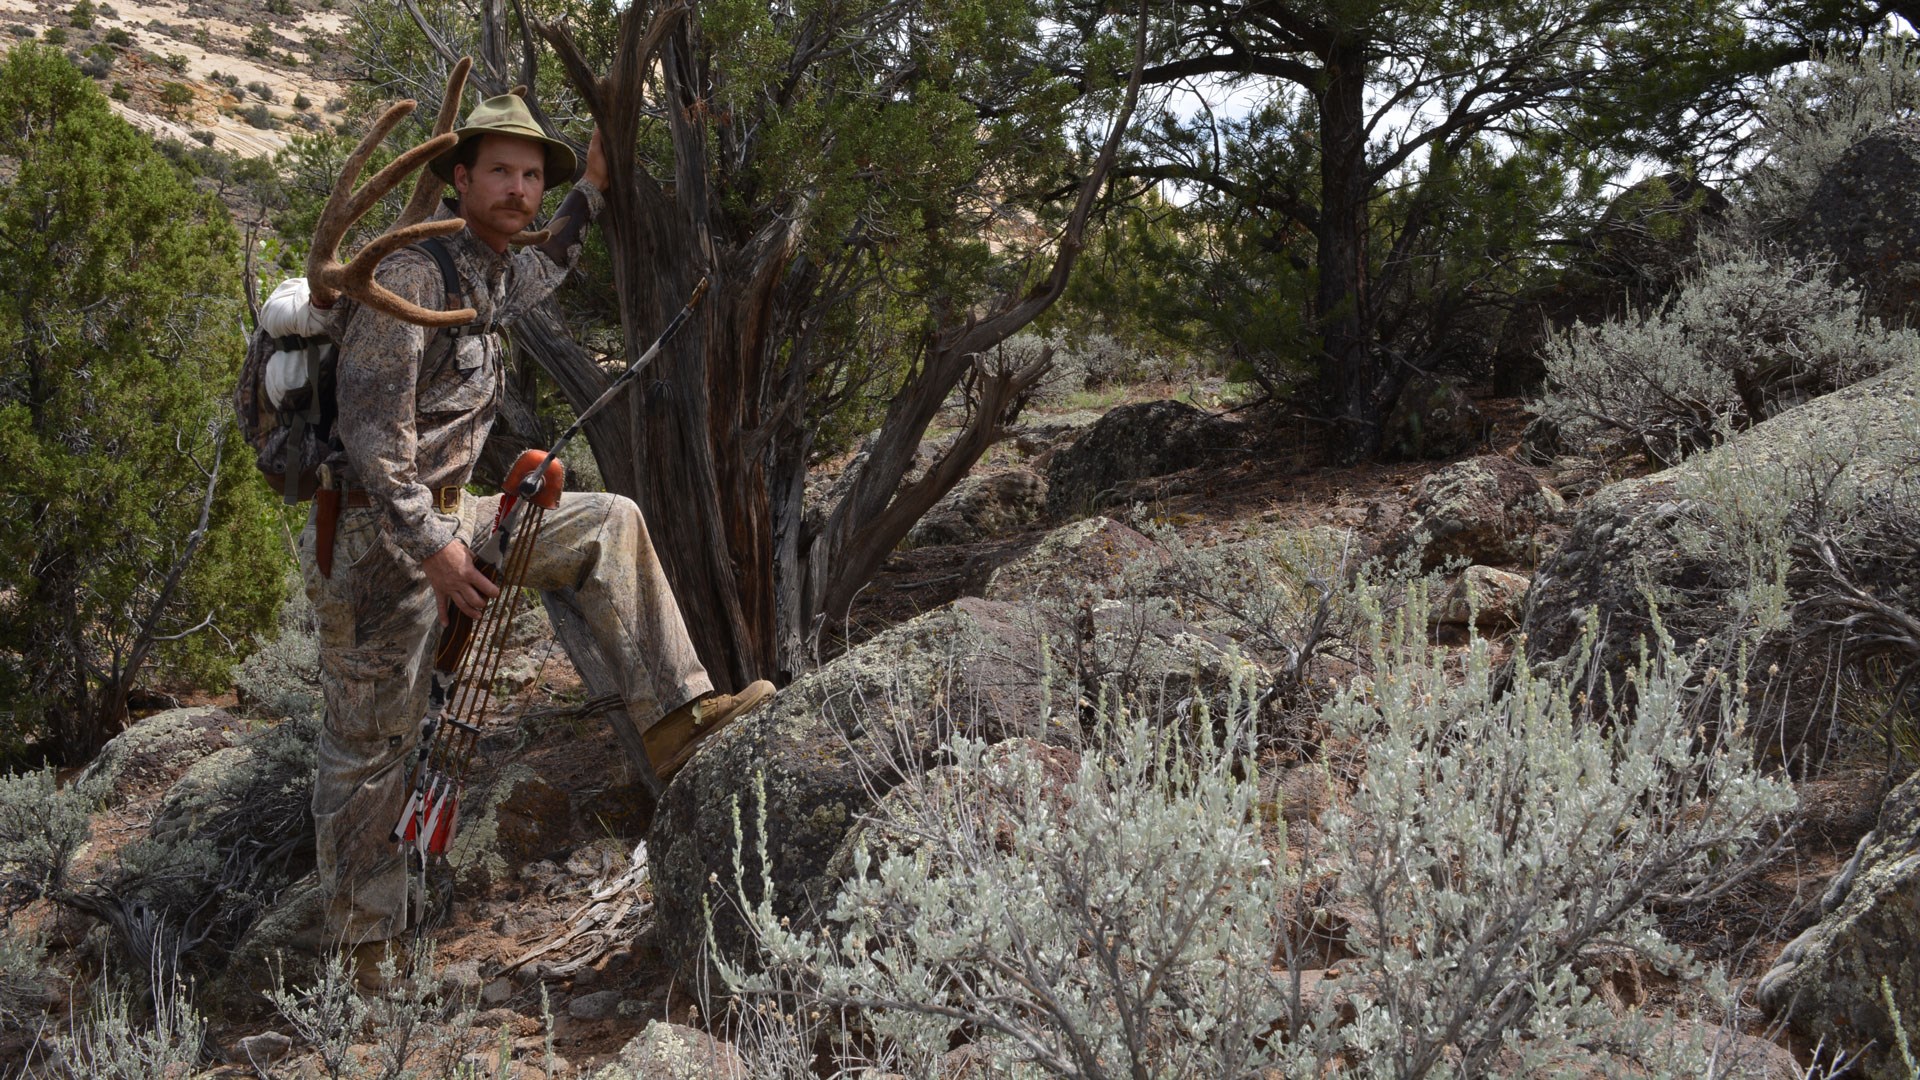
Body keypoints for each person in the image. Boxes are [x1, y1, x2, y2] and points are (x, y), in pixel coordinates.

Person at [299, 94, 772, 986]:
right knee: (373, 740)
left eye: (531, 174)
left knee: (608, 523)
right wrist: (437, 551)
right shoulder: (410, 276)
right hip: (378, 539)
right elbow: (371, 444)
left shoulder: (492, 267)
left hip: (457, 514)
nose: (519, 191)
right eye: (501, 172)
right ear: (459, 177)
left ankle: (676, 723)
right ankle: (364, 956)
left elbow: (550, 264)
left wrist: (589, 187)